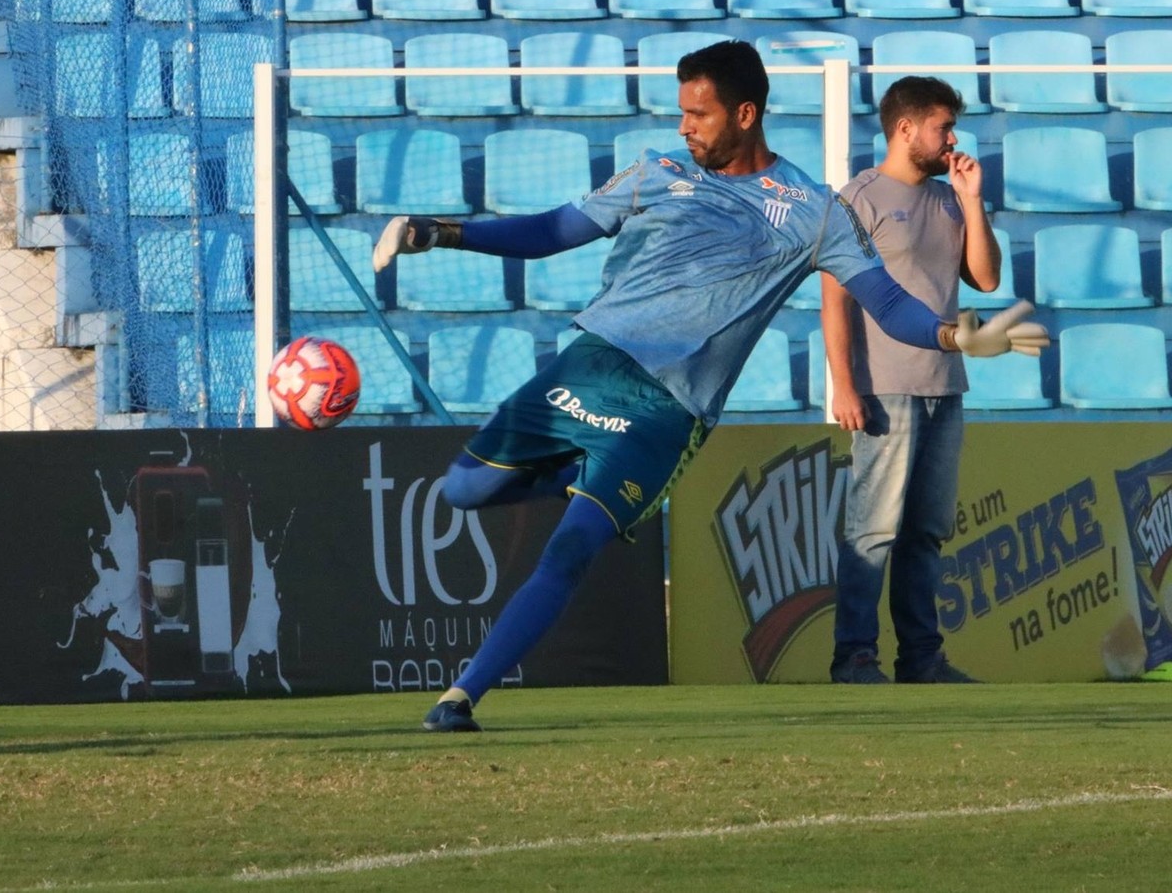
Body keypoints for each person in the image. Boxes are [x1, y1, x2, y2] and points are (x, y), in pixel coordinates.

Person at [372, 41, 1048, 732]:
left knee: (572, 551)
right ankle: (565, 473)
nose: (682, 127)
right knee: (461, 490)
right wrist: (440, 233)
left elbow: (887, 301)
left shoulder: (815, 212)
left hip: (667, 413)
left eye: (698, 113)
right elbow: (551, 231)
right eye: (682, 111)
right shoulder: (656, 172)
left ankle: (459, 700)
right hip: (589, 368)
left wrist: (953, 336)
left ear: (746, 114)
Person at [823, 76, 1034, 686]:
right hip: (884, 387)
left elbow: (986, 281)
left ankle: (921, 659)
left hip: (946, 384)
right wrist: (844, 384)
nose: (952, 139)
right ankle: (854, 657)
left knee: (926, 532)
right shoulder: (857, 199)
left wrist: (972, 199)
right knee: (874, 530)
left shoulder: (947, 199)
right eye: (943, 126)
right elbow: (833, 301)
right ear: (905, 127)